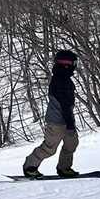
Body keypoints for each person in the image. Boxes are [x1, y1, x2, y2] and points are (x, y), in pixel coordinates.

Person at [23, 50, 83, 178]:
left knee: (71, 143)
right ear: (67, 64)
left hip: (67, 119)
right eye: (74, 63)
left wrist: (70, 122)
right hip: (56, 121)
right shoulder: (59, 80)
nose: (75, 66)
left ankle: (64, 168)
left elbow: (67, 105)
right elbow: (64, 104)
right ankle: (30, 166)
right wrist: (69, 123)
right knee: (50, 148)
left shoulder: (65, 79)